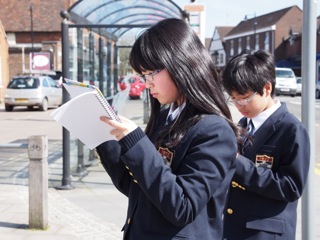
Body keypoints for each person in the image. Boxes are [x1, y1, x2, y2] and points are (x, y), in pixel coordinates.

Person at [96, 18, 240, 239]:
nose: (147, 83)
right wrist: (103, 139)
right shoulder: (165, 117)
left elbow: (183, 207)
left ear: (181, 64)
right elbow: (137, 188)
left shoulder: (214, 131)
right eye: (143, 75)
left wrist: (136, 142)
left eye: (151, 73)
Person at [222, 49, 310, 240]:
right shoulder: (244, 125)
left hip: (265, 233)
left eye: (244, 97)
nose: (239, 105)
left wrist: (238, 163)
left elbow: (291, 187)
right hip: (235, 228)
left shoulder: (291, 129)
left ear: (267, 88)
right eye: (233, 98)